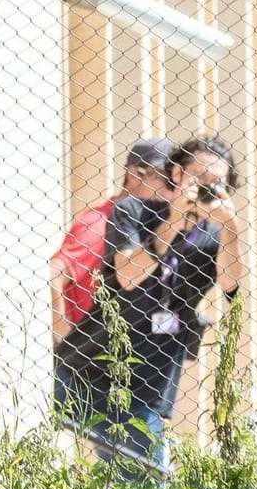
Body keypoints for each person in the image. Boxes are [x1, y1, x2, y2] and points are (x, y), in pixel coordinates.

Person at [55, 135, 246, 473]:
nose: (205, 188)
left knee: (135, 483)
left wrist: (229, 226)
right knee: (145, 482)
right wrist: (174, 219)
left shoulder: (215, 236)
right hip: (90, 367)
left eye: (216, 182)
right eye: (198, 178)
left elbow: (231, 285)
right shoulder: (132, 211)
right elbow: (128, 276)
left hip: (149, 380)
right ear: (175, 175)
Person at [49, 137, 176, 345]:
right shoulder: (100, 223)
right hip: (95, 357)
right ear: (135, 174)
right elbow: (54, 273)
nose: (171, 191)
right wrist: (67, 343)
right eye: (165, 180)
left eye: (176, 183)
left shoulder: (159, 226)